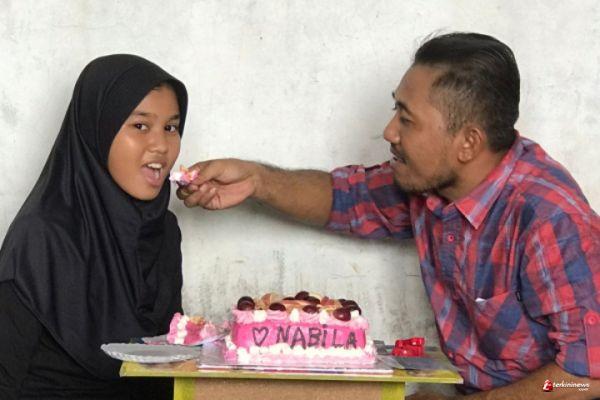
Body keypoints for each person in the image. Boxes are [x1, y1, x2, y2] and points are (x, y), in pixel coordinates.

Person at [177, 32, 600, 398]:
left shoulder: (549, 219)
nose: (389, 132)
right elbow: (344, 198)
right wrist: (256, 180)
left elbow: (585, 379)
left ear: (468, 142)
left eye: (407, 119)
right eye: (395, 109)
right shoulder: (432, 182)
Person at [0, 54, 187, 399]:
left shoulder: (162, 231)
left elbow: (168, 362)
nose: (161, 145)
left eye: (171, 128)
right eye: (140, 126)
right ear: (97, 130)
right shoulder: (43, 237)